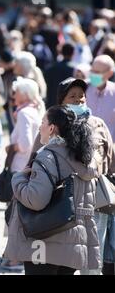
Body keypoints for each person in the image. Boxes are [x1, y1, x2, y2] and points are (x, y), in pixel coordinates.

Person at [30, 77, 115, 275]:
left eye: (81, 96)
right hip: (61, 203)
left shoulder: (98, 124)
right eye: (72, 96)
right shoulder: (52, 123)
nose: (78, 100)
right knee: (63, 261)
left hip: (95, 202)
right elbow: (35, 158)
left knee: (92, 264)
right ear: (61, 101)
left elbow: (111, 159)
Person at [4, 105, 100, 275]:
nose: (39, 127)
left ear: (52, 128)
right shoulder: (84, 157)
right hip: (76, 241)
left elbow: (36, 200)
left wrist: (18, 179)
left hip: (45, 241)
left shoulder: (48, 156)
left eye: (42, 122)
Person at [9, 78, 44, 173]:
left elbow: (25, 144)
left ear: (25, 94)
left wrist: (11, 148)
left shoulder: (24, 113)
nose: (14, 95)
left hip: (20, 168)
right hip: (31, 166)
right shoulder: (35, 110)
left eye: (16, 92)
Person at [86, 55, 115, 140]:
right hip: (85, 147)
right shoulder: (82, 89)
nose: (93, 75)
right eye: (92, 71)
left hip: (109, 149)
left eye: (97, 72)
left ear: (110, 73)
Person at [44, 42, 75, 108]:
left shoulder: (51, 67)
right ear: (73, 53)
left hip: (52, 103)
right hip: (67, 105)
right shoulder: (74, 69)